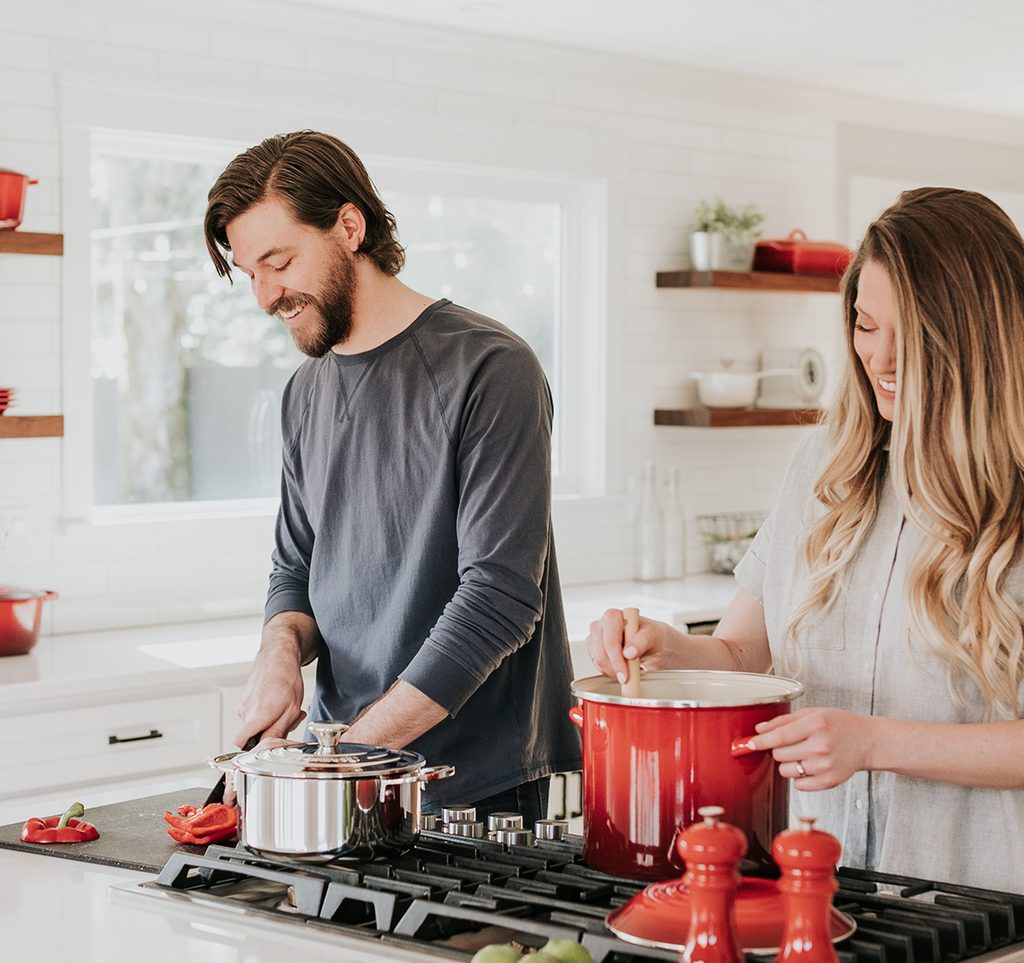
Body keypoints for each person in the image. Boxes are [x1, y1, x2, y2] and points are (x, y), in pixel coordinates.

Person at [588, 187, 1024, 893]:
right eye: (864, 325)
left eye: (907, 332)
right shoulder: (826, 464)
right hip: (817, 888)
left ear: (976, 333)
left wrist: (877, 743)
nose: (878, 359)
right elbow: (740, 654)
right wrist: (667, 650)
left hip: (985, 905)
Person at [203, 129, 581, 824]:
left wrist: (343, 761)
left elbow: (500, 599)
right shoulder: (304, 391)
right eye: (248, 272)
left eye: (278, 262)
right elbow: (297, 568)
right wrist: (278, 653)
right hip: (339, 771)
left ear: (349, 226)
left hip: (476, 789)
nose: (264, 296)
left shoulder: (490, 368)